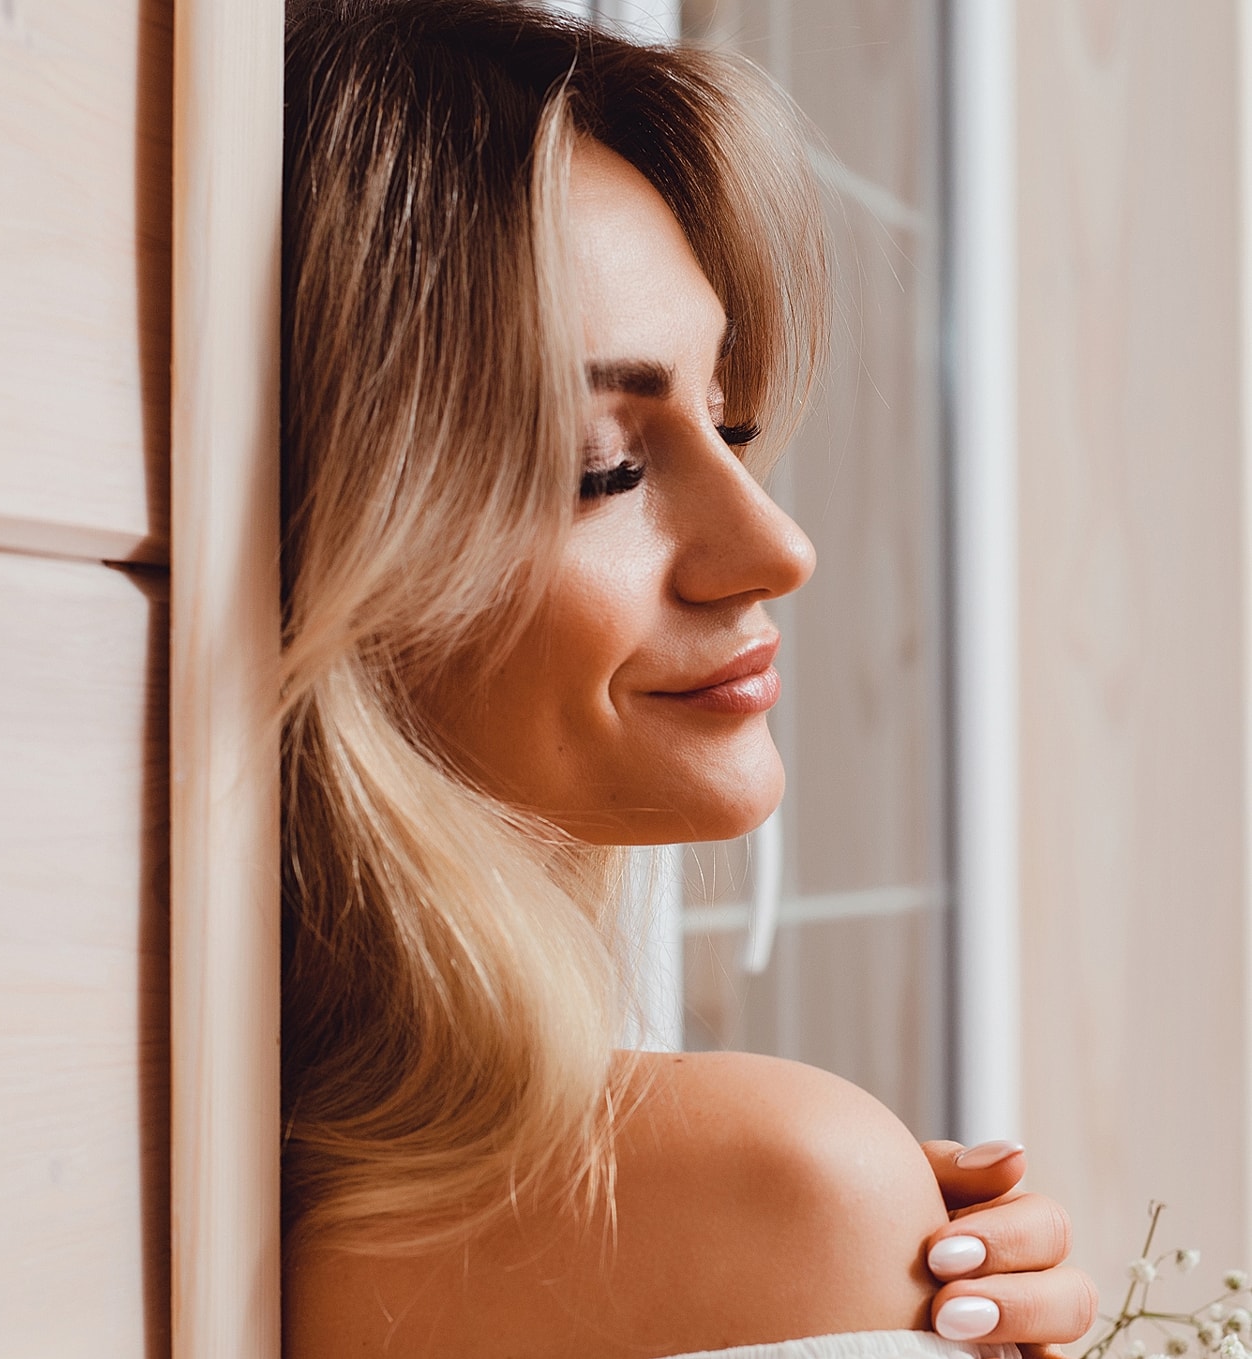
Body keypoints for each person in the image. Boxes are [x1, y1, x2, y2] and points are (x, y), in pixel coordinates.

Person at [278, 3, 1098, 1355]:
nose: (775, 544)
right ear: (324, 539)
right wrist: (836, 1219)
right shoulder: (773, 1184)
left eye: (730, 421)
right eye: (603, 461)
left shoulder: (259, 1190)